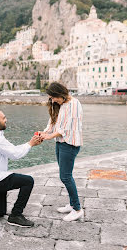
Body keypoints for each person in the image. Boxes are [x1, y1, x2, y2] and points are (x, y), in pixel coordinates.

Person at [39, 82, 84, 222]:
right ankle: (71, 204)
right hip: (60, 143)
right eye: (51, 98)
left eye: (54, 97)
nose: (53, 101)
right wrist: (44, 132)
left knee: (65, 176)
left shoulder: (74, 104)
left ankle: (77, 209)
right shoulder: (61, 104)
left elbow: (66, 128)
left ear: (61, 93)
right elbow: (53, 123)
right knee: (65, 175)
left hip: (70, 144)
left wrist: (49, 136)